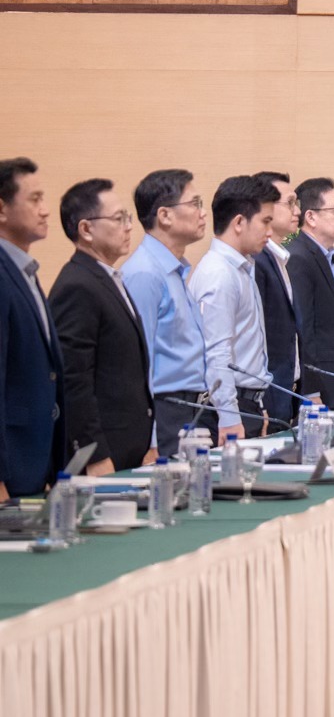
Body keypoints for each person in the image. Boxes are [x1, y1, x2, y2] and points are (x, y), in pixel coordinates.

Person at [49, 179, 155, 473]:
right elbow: (73, 379)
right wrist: (93, 453)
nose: (128, 227)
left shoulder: (107, 278)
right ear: (86, 229)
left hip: (128, 448)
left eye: (128, 218)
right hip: (103, 454)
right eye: (118, 218)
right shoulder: (77, 285)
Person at [123, 169, 214, 452]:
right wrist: (149, 441)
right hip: (164, 414)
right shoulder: (144, 273)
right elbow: (139, 364)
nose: (203, 213)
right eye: (195, 204)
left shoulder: (174, 270)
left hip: (190, 410)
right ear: (164, 215)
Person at [189, 177, 278, 438]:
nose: (270, 232)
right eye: (265, 221)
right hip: (224, 410)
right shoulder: (219, 274)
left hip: (246, 403)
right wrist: (229, 418)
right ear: (239, 222)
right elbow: (216, 353)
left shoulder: (240, 267)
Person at [0, 157, 63, 500]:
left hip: (36, 463)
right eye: (34, 199)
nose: (45, 210)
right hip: (11, 468)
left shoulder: (24, 270)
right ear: (2, 209)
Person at [289, 177, 334, 412]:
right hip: (319, 389)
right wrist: (311, 391)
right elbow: (303, 330)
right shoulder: (298, 258)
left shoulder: (333, 257)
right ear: (310, 217)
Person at [251, 171, 301, 427]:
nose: (297, 210)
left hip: (284, 392)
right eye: (290, 203)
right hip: (264, 396)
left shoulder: (279, 258)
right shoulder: (257, 261)